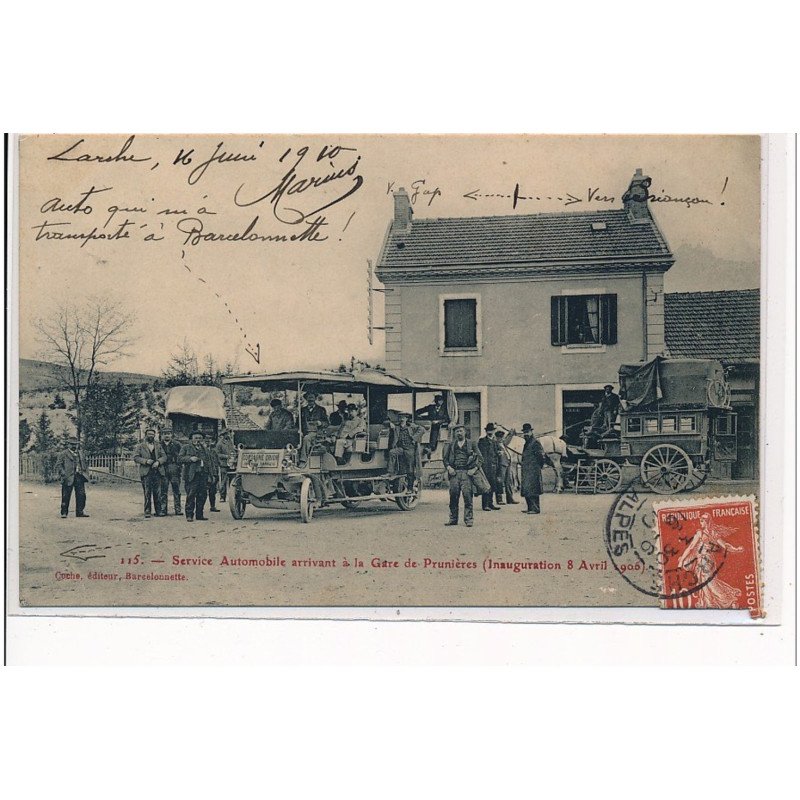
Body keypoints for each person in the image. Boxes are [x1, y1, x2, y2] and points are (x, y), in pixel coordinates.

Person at [678, 513, 745, 608]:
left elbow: (724, 545)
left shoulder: (712, 533)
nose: (701, 523)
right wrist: (681, 561)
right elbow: (691, 547)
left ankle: (728, 600)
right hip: (701, 561)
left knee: (710, 582)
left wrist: (735, 549)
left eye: (702, 521)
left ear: (707, 522)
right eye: (700, 521)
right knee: (703, 582)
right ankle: (710, 603)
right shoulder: (700, 533)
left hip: (707, 562)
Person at [442, 424, 483, 527]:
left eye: (461, 431)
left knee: (468, 497)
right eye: (457, 431)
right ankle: (453, 519)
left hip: (467, 474)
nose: (459, 433)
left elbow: (481, 458)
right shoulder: (451, 444)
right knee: (453, 497)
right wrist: (449, 468)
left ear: (465, 432)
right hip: (454, 473)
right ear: (455, 433)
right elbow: (445, 459)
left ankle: (469, 519)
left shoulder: (472, 443)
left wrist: (474, 469)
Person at [133, 428, 166, 518]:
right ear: (146, 435)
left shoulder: (158, 445)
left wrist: (158, 462)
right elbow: (136, 457)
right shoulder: (140, 446)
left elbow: (164, 456)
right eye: (149, 434)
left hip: (157, 472)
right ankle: (147, 511)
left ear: (154, 435)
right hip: (146, 472)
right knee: (147, 492)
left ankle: (158, 511)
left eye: (152, 434)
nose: (151, 436)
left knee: (158, 492)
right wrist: (146, 461)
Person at [55, 436, 90, 518]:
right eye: (72, 444)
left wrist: (84, 471)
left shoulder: (80, 453)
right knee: (66, 495)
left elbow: (85, 463)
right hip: (68, 477)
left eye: (75, 444)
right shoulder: (63, 454)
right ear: (68, 444)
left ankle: (80, 512)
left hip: (79, 477)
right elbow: (58, 465)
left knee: (81, 495)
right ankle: (64, 513)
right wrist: (63, 474)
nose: (74, 446)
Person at [179, 430, 210, 522]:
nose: (198, 440)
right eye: (196, 438)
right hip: (191, 475)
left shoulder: (204, 449)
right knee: (191, 495)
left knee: (202, 495)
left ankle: (199, 515)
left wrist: (210, 474)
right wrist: (190, 459)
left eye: (200, 438)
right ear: (192, 439)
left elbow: (208, 462)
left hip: (203, 475)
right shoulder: (186, 447)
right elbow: (179, 458)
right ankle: (189, 515)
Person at [387, 412, 424, 486]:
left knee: (410, 469)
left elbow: (422, 429)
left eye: (403, 418)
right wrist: (390, 423)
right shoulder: (397, 427)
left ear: (406, 419)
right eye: (400, 417)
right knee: (392, 452)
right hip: (401, 448)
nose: (401, 419)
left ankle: (410, 488)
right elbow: (386, 422)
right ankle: (390, 472)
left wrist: (414, 439)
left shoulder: (411, 426)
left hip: (410, 449)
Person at [519, 423, 548, 514]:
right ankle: (530, 508)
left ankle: (535, 508)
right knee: (527, 489)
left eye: (527, 432)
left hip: (533, 469)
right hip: (526, 469)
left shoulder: (535, 442)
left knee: (533, 489)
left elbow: (541, 456)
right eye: (524, 432)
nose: (526, 434)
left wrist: (540, 466)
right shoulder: (527, 442)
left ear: (531, 432)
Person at [299, 392, 329, 463]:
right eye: (309, 400)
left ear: (315, 399)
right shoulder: (302, 410)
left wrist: (321, 423)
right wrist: (299, 431)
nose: (310, 401)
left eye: (312, 399)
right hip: (304, 432)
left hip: (317, 433)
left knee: (306, 438)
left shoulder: (321, 410)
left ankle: (303, 460)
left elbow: (327, 423)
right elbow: (298, 423)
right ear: (306, 399)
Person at [477, 423, 501, 511]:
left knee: (492, 485)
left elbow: (497, 454)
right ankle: (485, 505)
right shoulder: (482, 441)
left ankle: (490, 504)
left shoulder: (495, 442)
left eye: (491, 430)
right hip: (485, 467)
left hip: (493, 467)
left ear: (494, 431)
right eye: (488, 430)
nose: (490, 432)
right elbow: (480, 455)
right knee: (485, 486)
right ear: (486, 431)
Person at [160, 428, 183, 515]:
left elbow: (181, 456)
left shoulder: (177, 444)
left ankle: (178, 509)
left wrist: (179, 466)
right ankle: (163, 509)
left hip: (174, 468)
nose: (167, 435)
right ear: (162, 435)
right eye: (164, 433)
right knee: (163, 489)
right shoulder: (159, 445)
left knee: (176, 489)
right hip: (163, 468)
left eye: (168, 433)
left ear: (171, 434)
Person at [494, 429, 519, 504]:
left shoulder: (503, 443)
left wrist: (511, 434)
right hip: (501, 465)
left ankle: (510, 499)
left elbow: (507, 440)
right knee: (500, 482)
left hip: (507, 464)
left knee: (508, 482)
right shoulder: (495, 444)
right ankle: (499, 499)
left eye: (502, 437)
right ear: (497, 437)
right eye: (500, 437)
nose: (501, 439)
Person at [214, 429, 235, 502]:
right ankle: (222, 497)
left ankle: (233, 496)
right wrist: (226, 456)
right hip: (223, 464)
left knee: (232, 481)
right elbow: (217, 454)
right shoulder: (219, 443)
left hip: (231, 464)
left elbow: (233, 450)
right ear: (224, 435)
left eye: (229, 433)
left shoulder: (231, 442)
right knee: (223, 480)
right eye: (227, 434)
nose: (229, 435)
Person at [204, 433, 221, 512]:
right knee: (202, 492)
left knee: (212, 491)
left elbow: (217, 462)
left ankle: (212, 506)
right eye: (206, 441)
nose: (207, 442)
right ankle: (200, 508)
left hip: (213, 473)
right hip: (204, 473)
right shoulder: (201, 451)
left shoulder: (214, 451)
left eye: (209, 441)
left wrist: (216, 473)